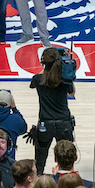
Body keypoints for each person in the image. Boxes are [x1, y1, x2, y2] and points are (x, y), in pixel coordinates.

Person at [29, 47, 75, 175]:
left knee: (40, 161)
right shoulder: (65, 81)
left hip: (45, 124)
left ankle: (37, 187)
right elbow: (72, 93)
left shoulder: (37, 79)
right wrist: (69, 73)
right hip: (64, 124)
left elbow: (34, 84)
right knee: (66, 161)